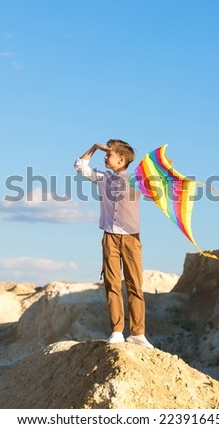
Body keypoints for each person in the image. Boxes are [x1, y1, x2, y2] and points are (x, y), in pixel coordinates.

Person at [74, 139, 153, 349]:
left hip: (131, 238)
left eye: (109, 154)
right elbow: (80, 166)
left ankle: (138, 333)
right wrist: (93, 147)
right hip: (109, 237)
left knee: (135, 285)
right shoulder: (103, 177)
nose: (105, 157)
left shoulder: (136, 180)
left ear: (122, 159)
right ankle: (117, 331)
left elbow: (156, 196)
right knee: (112, 284)